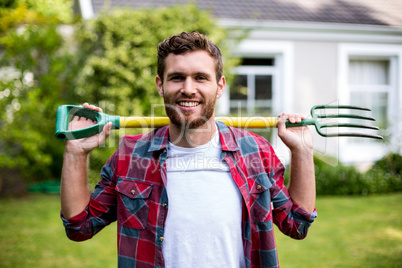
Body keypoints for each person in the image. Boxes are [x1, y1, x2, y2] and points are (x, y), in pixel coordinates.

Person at [61, 31, 317, 268]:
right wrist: (75, 152)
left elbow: (297, 224)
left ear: (219, 86)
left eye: (201, 78)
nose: (188, 89)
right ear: (160, 85)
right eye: (177, 78)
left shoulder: (255, 152)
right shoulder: (130, 155)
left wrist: (302, 151)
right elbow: (80, 226)